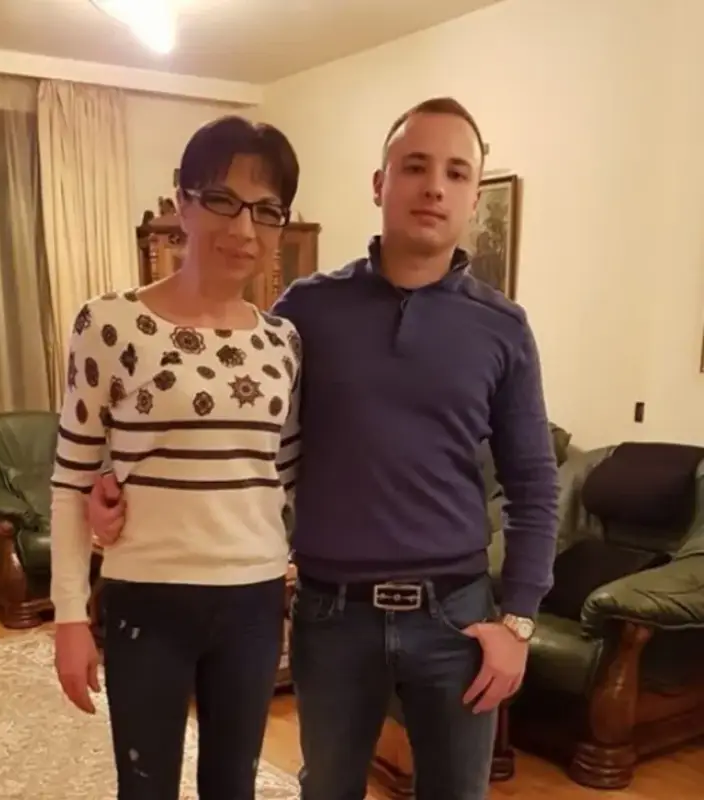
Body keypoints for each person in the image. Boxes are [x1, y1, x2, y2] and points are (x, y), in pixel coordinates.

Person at [86, 97, 560, 800]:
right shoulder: (303, 313)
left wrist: (517, 621)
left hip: (455, 623)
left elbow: (534, 484)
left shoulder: (503, 328)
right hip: (332, 619)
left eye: (457, 173)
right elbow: (220, 413)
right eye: (415, 166)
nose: (434, 187)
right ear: (380, 183)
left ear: (471, 197)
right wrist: (114, 477)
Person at [49, 115, 302, 800]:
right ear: (183, 203)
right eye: (223, 200)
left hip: (254, 601)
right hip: (147, 598)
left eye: (267, 210)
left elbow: (283, 475)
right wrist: (69, 617)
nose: (244, 228)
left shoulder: (283, 343)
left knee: (233, 787)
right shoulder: (108, 323)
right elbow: (72, 480)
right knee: (145, 787)